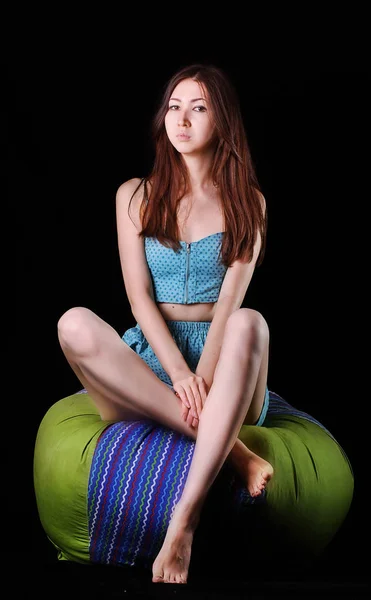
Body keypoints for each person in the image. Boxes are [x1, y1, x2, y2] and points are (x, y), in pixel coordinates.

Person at [57, 63, 274, 584]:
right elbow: (138, 299)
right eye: (174, 107)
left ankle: (184, 523)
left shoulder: (250, 202)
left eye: (198, 108)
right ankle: (236, 453)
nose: (182, 119)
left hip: (226, 361)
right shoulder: (135, 195)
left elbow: (228, 305)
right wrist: (178, 373)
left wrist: (204, 371)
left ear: (222, 121)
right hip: (156, 356)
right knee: (73, 323)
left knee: (251, 320)